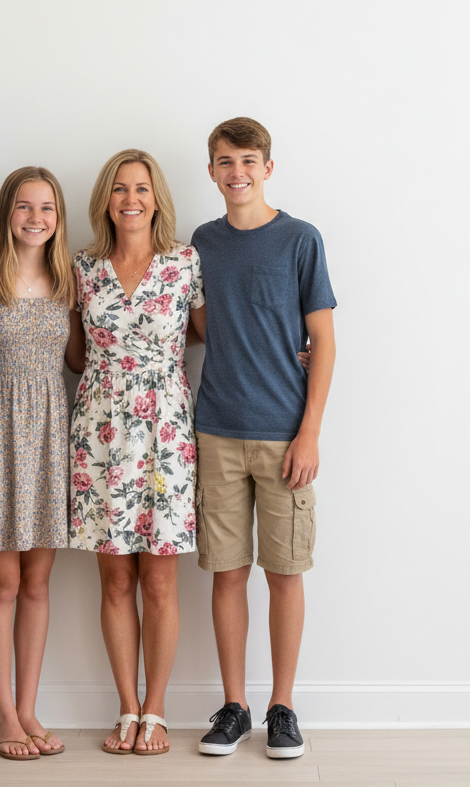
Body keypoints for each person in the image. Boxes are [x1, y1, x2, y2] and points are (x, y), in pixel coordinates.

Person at [191, 117, 336, 760]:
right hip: (216, 429)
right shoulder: (201, 243)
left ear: (268, 167)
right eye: (225, 161)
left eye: (248, 160)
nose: (237, 172)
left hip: (283, 435)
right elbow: (195, 324)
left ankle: (283, 706)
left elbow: (325, 342)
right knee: (226, 573)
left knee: (284, 573)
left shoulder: (301, 240)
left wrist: (309, 433)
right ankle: (235, 706)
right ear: (213, 170)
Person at [69, 149, 206, 756]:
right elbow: (74, 352)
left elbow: (214, 336)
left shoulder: (184, 263)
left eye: (142, 189)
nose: (131, 198)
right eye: (120, 188)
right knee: (115, 577)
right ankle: (126, 707)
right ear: (106, 198)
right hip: (99, 432)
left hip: (166, 435)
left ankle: (157, 711)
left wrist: (295, 352)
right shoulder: (83, 267)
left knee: (159, 579)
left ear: (157, 199)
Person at [0, 167, 85, 760]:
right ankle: (2, 714)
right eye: (25, 207)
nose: (37, 218)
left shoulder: (68, 280)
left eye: (48, 208)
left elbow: (85, 357)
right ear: (7, 213)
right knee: (2, 582)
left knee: (37, 582)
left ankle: (29, 707)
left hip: (51, 434)